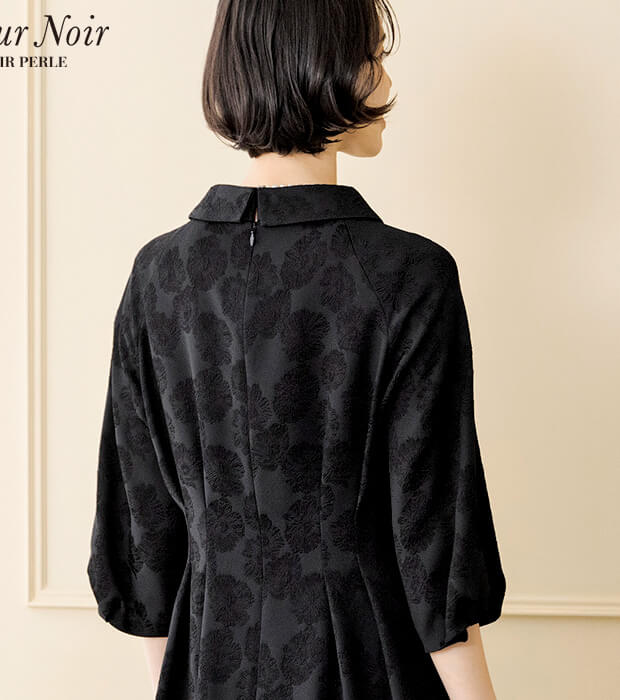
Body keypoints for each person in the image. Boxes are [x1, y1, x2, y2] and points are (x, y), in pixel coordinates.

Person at [86, 1, 507, 698]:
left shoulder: (158, 275)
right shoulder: (408, 277)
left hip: (205, 665)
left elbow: (146, 538)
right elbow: (433, 537)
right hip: (365, 666)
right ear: (322, 64)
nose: (385, 82)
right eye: (373, 56)